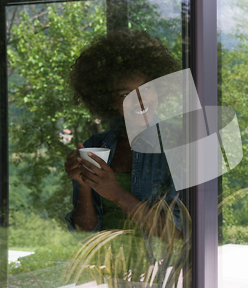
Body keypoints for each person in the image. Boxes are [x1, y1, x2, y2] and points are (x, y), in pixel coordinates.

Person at [64, 30, 182, 235]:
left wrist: (116, 193)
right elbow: (84, 232)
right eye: (125, 94)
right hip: (104, 264)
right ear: (109, 101)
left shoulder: (180, 145)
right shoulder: (96, 145)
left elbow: (178, 235)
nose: (139, 101)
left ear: (159, 89)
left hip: (157, 266)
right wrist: (83, 185)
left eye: (146, 89)